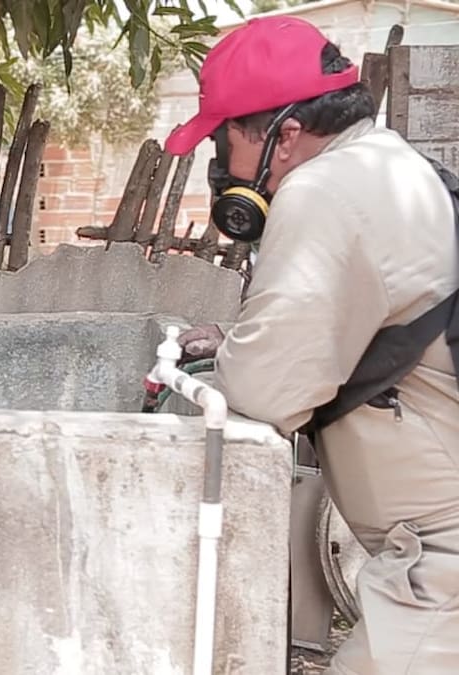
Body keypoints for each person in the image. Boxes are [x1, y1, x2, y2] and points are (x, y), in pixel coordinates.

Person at [163, 16, 459, 673]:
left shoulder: (324, 192)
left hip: (441, 570)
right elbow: (352, 324)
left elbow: (268, 390)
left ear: (286, 134)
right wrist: (240, 339)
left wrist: (230, 363)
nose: (222, 171)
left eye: (224, 143)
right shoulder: (383, 164)